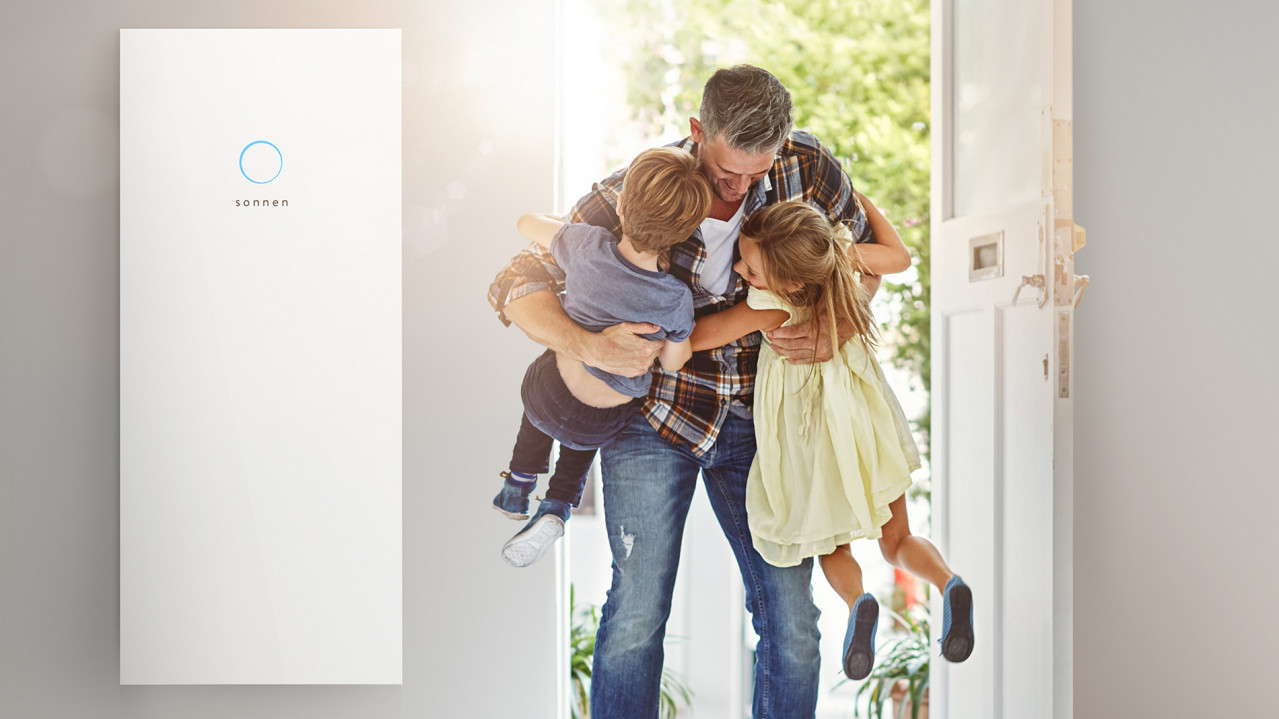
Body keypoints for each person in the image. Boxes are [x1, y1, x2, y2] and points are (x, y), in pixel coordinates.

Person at [489, 65, 906, 717]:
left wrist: (833, 325)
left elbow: (853, 263)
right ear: (695, 133)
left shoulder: (809, 167)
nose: (739, 190)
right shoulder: (638, 189)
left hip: (766, 419)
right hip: (652, 415)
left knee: (791, 620)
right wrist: (589, 344)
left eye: (755, 175)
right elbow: (515, 281)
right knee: (636, 612)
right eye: (724, 173)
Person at [686, 199, 974, 680]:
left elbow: (701, 335)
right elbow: (899, 257)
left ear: (790, 282)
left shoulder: (771, 306)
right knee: (897, 539)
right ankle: (949, 583)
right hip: (867, 425)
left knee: (831, 547)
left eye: (750, 269)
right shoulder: (841, 260)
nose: (739, 270)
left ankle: (858, 601)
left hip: (813, 439)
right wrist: (865, 203)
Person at [492, 146, 711, 568]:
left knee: (547, 373)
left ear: (622, 207)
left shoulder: (586, 245)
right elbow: (672, 363)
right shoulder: (674, 299)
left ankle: (518, 484)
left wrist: (559, 224)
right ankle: (557, 504)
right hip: (601, 422)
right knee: (589, 431)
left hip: (548, 399)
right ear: (684, 234)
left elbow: (525, 223)